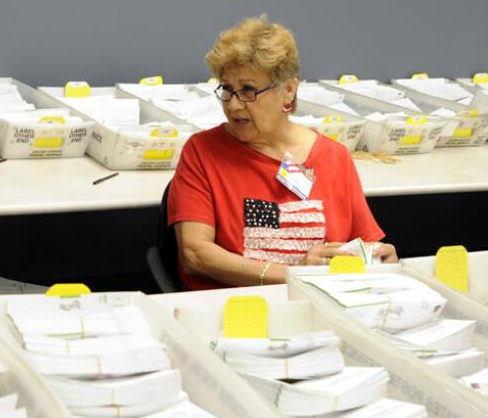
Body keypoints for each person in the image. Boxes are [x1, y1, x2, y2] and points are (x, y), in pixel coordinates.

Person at [167, 15, 397, 290]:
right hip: (234, 312)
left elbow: (363, 243)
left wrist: (380, 259)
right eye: (227, 89)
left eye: (248, 90)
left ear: (288, 90)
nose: (234, 105)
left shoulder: (334, 157)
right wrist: (293, 275)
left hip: (319, 306)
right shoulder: (203, 151)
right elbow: (195, 255)